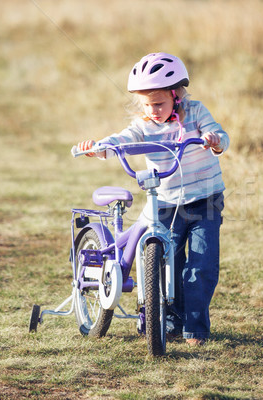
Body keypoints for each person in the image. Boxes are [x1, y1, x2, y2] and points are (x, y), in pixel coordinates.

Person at [76, 52, 229, 347]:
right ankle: (168, 324)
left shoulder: (196, 112)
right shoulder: (145, 125)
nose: (153, 110)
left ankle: (195, 331)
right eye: (146, 104)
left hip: (204, 200)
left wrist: (214, 140)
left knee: (200, 265)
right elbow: (123, 139)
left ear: (176, 95)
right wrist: (99, 148)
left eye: (158, 103)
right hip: (166, 203)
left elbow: (219, 134)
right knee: (164, 263)